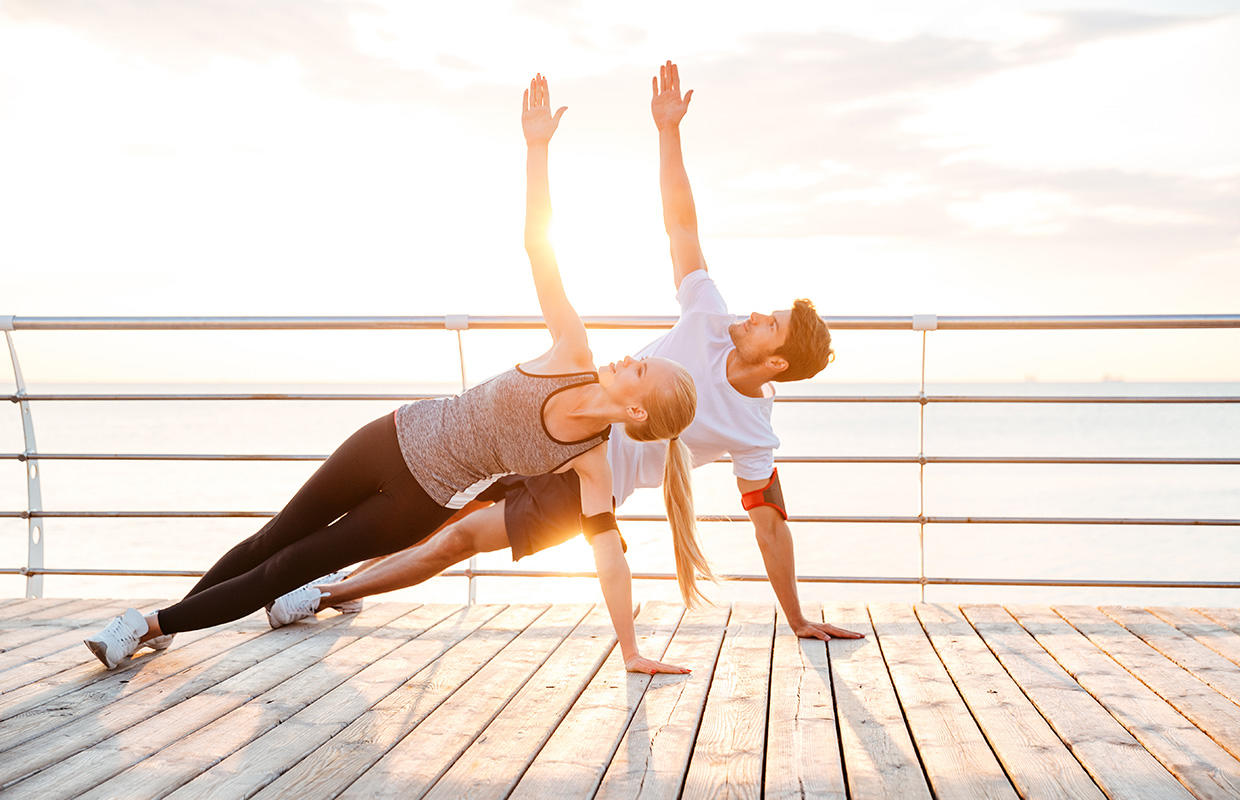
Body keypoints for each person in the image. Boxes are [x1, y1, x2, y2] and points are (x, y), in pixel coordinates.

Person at [82, 74, 705, 674]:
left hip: (417, 502)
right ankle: (171, 621)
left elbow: (609, 559)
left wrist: (629, 650)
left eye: (641, 369)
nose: (629, 357)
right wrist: (536, 147)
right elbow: (539, 248)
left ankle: (149, 625)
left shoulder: (592, 463)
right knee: (275, 535)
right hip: (391, 436)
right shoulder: (573, 350)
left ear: (638, 411)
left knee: (287, 569)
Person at [269, 61, 864, 652]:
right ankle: (342, 583)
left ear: (777, 363)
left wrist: (797, 618)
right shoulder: (710, 315)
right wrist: (667, 131)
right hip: (554, 425)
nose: (756, 315)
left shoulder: (754, 431)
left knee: (457, 542)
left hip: (585, 489)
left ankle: (318, 597)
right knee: (437, 512)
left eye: (771, 325)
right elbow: (682, 225)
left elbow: (769, 527)